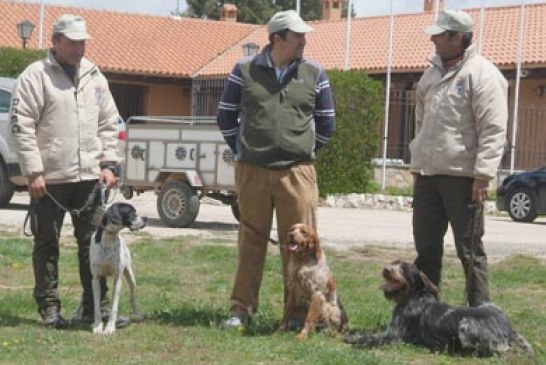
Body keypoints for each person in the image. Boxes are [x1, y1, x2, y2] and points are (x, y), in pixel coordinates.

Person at [216, 10, 335, 328]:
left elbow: (327, 122)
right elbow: (225, 116)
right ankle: (241, 309)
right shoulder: (244, 70)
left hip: (298, 172)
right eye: (297, 37)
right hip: (252, 169)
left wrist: (305, 152)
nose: (304, 42)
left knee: (300, 247)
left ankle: (298, 315)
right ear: (277, 38)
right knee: (250, 242)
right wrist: (242, 152)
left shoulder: (315, 72)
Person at [10, 14, 120, 327]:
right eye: (72, 42)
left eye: (82, 41)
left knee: (94, 245)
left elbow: (109, 122)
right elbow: (21, 126)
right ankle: (49, 309)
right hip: (49, 178)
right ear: (55, 42)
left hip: (89, 177)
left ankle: (95, 308)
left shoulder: (95, 75)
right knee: (47, 243)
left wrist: (109, 163)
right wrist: (33, 171)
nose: (78, 48)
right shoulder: (35, 76)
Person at [410, 10, 508, 307]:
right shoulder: (430, 75)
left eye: (440, 34)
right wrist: (417, 163)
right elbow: (420, 124)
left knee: (469, 251)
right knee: (426, 248)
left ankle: (482, 316)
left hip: (464, 179)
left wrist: (483, 175)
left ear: (458, 38)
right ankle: (425, 313)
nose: (433, 38)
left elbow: (493, 128)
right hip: (427, 176)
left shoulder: (483, 74)